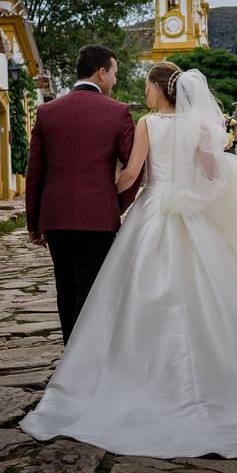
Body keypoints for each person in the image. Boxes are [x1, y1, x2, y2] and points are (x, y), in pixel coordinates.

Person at [18, 61, 237, 458]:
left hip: (152, 214)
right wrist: (193, 197)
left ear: (159, 89)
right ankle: (226, 382)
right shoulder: (202, 128)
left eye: (147, 86)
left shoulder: (147, 124)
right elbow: (213, 176)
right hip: (193, 218)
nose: (145, 92)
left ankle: (136, 376)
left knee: (138, 297)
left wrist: (109, 195)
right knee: (211, 295)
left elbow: (132, 174)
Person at [24, 45, 142, 345]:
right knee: (93, 286)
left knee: (64, 285)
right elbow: (134, 168)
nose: (115, 80)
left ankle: (70, 353)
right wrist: (114, 204)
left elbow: (35, 171)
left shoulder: (47, 112)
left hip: (56, 217)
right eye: (114, 73)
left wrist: (34, 222)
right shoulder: (118, 112)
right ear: (101, 73)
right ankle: (89, 356)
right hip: (99, 218)